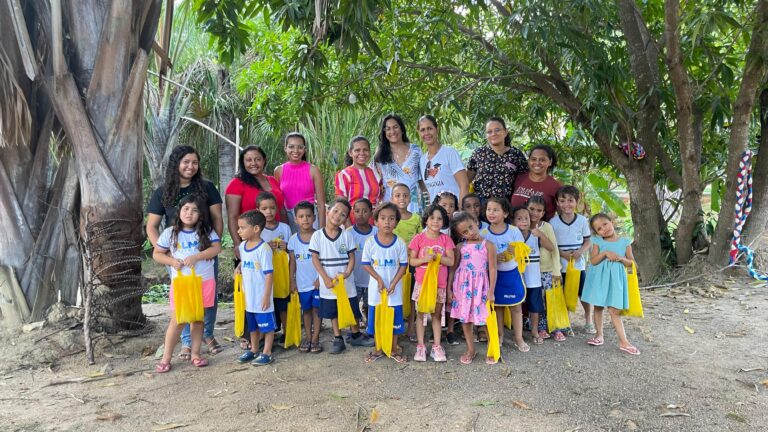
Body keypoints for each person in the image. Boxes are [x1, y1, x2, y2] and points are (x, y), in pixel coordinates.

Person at [146, 145, 224, 358]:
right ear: (176, 164)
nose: (191, 166)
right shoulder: (163, 192)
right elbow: (151, 226)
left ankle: (207, 334)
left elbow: (217, 218)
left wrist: (210, 245)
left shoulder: (207, 187)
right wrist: (166, 253)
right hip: (178, 258)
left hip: (204, 252)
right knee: (183, 300)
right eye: (186, 162)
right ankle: (187, 343)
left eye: (195, 162)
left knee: (207, 298)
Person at [153, 195, 222, 373]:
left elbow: (216, 248)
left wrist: (197, 256)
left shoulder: (206, 231)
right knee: (178, 320)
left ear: (201, 214)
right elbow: (157, 253)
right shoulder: (170, 232)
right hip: (182, 284)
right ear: (179, 211)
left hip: (204, 281)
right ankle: (166, 358)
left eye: (194, 210)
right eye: (186, 209)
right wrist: (171, 261)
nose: (189, 213)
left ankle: (196, 354)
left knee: (198, 320)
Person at [310, 198, 375, 354]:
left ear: (346, 219)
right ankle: (338, 338)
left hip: (346, 283)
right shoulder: (317, 236)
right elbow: (315, 259)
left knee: (352, 308)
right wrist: (324, 278)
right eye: (335, 211)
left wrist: (347, 273)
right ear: (327, 211)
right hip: (329, 283)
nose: (338, 216)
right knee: (333, 311)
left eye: (343, 214)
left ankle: (355, 334)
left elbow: (352, 257)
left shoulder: (346, 235)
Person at [581, 213, 640, 355]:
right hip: (599, 279)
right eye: (599, 228)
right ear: (596, 232)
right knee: (598, 307)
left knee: (614, 310)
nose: (604, 229)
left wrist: (621, 259)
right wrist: (605, 253)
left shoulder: (625, 242)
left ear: (612, 222)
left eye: (605, 224)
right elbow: (593, 261)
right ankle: (599, 335)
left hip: (616, 280)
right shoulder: (597, 241)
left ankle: (624, 342)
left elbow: (633, 264)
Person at [362, 203, 409, 364]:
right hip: (376, 291)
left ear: (396, 222)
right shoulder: (370, 242)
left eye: (391, 219)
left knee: (394, 321)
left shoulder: (400, 243)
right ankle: (378, 348)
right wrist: (379, 279)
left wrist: (394, 283)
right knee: (377, 320)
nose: (387, 222)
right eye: (383, 218)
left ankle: (393, 348)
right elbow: (366, 264)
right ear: (376, 221)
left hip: (393, 291)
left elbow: (403, 266)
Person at [409, 204, 455, 362]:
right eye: (432, 218)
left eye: (440, 218)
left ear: (444, 221)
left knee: (436, 315)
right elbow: (412, 261)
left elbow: (451, 261)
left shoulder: (446, 239)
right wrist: (424, 259)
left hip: (439, 285)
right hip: (422, 284)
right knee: (421, 315)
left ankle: (436, 346)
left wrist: (438, 257)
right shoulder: (418, 238)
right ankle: (420, 346)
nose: (435, 221)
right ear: (426, 220)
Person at [481, 197, 528, 353]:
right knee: (498, 308)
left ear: (505, 213)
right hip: (495, 277)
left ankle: (518, 338)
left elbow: (521, 250)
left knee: (516, 307)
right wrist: (494, 258)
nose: (491, 213)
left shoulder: (514, 231)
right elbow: (481, 256)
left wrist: (511, 252)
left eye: (496, 210)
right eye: (489, 209)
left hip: (512, 275)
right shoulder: (484, 234)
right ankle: (499, 336)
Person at [450, 212, 497, 365]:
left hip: (481, 287)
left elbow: (493, 269)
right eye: (465, 232)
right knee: (465, 318)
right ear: (460, 234)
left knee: (484, 317)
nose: (470, 232)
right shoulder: (460, 247)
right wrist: (450, 289)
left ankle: (492, 347)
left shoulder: (488, 245)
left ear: (476, 222)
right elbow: (453, 269)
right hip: (462, 287)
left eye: (471, 227)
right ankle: (471, 349)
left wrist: (491, 292)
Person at [225, 145, 287, 260]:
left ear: (264, 161)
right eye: (249, 160)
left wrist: (288, 235)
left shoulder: (272, 180)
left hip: (276, 239)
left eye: (258, 159)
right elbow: (232, 216)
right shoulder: (236, 184)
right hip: (251, 241)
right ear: (243, 163)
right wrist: (237, 244)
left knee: (278, 275)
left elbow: (281, 209)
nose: (253, 163)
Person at [550, 185, 594, 334]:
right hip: (561, 265)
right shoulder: (553, 222)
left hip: (578, 264)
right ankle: (566, 322)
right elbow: (552, 244)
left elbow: (588, 240)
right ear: (557, 202)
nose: (566, 204)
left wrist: (580, 251)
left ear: (577, 201)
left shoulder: (582, 220)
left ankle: (588, 320)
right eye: (562, 200)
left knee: (583, 293)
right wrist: (562, 253)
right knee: (564, 294)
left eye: (570, 200)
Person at [235, 210, 277, 366]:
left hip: (261, 297)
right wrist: (239, 267)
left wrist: (266, 296)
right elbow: (246, 260)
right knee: (252, 326)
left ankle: (267, 352)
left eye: (242, 227)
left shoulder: (264, 249)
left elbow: (269, 274)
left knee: (267, 327)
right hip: (249, 298)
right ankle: (254, 350)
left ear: (256, 229)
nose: (239, 231)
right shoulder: (242, 246)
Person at [512, 206, 554, 345]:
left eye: (526, 218)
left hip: (534, 277)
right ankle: (517, 333)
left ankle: (535, 331)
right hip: (517, 276)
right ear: (513, 221)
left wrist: (541, 234)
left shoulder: (535, 234)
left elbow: (550, 247)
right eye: (519, 219)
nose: (523, 221)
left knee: (535, 306)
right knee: (516, 305)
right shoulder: (512, 234)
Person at [287, 201, 322, 353]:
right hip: (302, 284)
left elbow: (325, 261)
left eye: (308, 216)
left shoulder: (320, 236)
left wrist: (321, 279)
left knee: (317, 310)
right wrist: (292, 281)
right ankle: (307, 337)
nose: (305, 219)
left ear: (314, 218)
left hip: (318, 283)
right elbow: (292, 262)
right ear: (295, 219)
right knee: (306, 311)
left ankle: (316, 339)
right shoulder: (293, 239)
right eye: (301, 216)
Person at [467, 117, 528, 202]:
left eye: (497, 130)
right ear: (486, 135)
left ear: (505, 132)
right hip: (481, 204)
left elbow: (525, 182)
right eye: (489, 131)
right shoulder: (479, 153)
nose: (493, 134)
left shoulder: (515, 154)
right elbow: (466, 181)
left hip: (506, 205)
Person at [257, 191, 292, 339]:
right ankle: (265, 335)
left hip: (282, 274)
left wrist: (286, 247)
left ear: (277, 209)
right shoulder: (257, 229)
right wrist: (265, 247)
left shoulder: (285, 228)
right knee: (265, 304)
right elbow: (252, 249)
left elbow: (291, 250)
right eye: (264, 209)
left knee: (283, 304)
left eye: (272, 208)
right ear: (258, 210)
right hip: (263, 275)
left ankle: (287, 333)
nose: (269, 212)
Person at [275, 132, 326, 231]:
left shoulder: (313, 170)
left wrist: (322, 230)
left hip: (309, 218)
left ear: (304, 149)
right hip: (288, 218)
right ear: (285, 148)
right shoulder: (279, 170)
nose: (296, 150)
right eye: (291, 147)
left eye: (300, 147)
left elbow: (321, 204)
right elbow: (278, 202)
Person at [526, 196, 561, 340]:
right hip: (529, 271)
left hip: (547, 270)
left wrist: (556, 270)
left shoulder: (546, 227)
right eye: (532, 209)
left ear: (543, 212)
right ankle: (539, 326)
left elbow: (553, 248)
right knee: (535, 300)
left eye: (539, 210)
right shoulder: (520, 226)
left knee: (550, 299)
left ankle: (555, 326)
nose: (535, 213)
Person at [391, 183, 422, 343]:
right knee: (396, 294)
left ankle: (411, 327)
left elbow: (420, 242)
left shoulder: (416, 218)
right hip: (393, 265)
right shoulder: (390, 218)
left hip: (411, 265)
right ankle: (395, 326)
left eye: (405, 195)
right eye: (398, 195)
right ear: (392, 198)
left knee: (411, 296)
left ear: (410, 198)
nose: (402, 198)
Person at [374, 114, 424, 212]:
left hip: (413, 205)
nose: (392, 132)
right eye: (388, 129)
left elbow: (422, 180)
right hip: (390, 208)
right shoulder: (379, 155)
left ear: (402, 129)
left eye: (395, 127)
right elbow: (375, 183)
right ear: (384, 132)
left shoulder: (415, 151)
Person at [418, 115, 468, 204]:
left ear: (437, 129)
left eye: (430, 128)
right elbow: (429, 191)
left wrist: (459, 211)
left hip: (453, 212)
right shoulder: (422, 160)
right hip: (437, 215)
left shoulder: (449, 153)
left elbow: (464, 185)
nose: (426, 133)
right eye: (422, 130)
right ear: (419, 133)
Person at [335, 136, 381, 224]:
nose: (362, 153)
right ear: (350, 152)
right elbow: (342, 206)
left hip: (374, 224)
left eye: (365, 150)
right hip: (353, 223)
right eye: (357, 150)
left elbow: (379, 200)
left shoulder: (375, 173)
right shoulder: (344, 175)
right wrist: (349, 227)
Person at [510, 144, 562, 220]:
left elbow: (562, 214)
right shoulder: (519, 178)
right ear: (529, 161)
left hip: (540, 230)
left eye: (542, 160)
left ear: (550, 162)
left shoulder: (555, 186)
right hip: (515, 229)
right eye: (533, 159)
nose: (537, 163)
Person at [348, 199, 377, 323]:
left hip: (372, 279)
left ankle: (370, 326)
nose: (361, 214)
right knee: (353, 305)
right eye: (357, 211)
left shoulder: (377, 232)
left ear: (371, 213)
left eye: (365, 211)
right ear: (353, 213)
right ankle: (353, 329)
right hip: (354, 279)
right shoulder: (348, 233)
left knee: (370, 305)